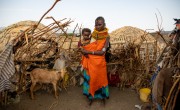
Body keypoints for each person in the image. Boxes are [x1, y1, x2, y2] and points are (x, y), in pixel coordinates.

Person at [81, 16, 110, 105]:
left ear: (104, 24)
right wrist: (84, 52)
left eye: (100, 24)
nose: (97, 26)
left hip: (100, 63)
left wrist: (88, 51)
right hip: (90, 62)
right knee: (91, 80)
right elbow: (87, 46)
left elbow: (102, 52)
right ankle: (91, 97)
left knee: (100, 80)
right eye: (96, 24)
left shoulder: (107, 37)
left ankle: (102, 97)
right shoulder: (92, 35)